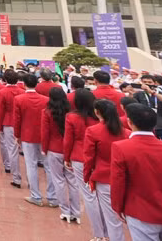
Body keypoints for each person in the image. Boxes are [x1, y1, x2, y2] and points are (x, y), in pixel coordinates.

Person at [111, 103, 162, 240]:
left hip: (140, 212)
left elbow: (118, 181)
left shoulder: (121, 148)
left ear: (130, 122)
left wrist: (118, 207)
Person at [83, 99, 131, 241]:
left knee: (112, 219)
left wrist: (87, 177)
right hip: (124, 178)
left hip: (104, 178)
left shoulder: (93, 131)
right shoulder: (126, 132)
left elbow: (89, 157)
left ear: (97, 112)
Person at [14, 74, 55, 206]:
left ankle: (36, 196)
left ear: (24, 84)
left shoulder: (19, 99)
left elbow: (17, 120)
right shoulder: (46, 100)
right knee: (49, 167)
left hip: (27, 136)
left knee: (31, 165)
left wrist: (17, 135)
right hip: (44, 136)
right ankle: (52, 197)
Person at [41, 87, 80, 223]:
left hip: (54, 149)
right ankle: (76, 212)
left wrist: (44, 149)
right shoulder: (72, 113)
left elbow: (45, 133)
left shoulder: (47, 112)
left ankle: (65, 211)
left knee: (58, 180)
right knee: (73, 181)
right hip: (69, 150)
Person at [63, 88, 97, 229]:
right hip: (96, 157)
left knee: (88, 195)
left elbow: (68, 140)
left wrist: (66, 157)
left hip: (79, 157)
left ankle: (98, 232)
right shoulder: (98, 118)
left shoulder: (72, 117)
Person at [0, 69, 24, 187]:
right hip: (23, 124)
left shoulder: (2, 92)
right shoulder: (22, 91)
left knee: (12, 151)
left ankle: (16, 178)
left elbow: (0, 111)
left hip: (8, 122)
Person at [134, 74, 162, 144]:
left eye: (149, 82)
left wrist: (152, 92)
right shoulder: (138, 95)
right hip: (147, 128)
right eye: (144, 82)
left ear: (155, 83)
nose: (147, 84)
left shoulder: (161, 93)